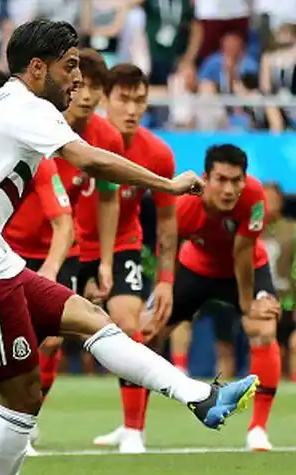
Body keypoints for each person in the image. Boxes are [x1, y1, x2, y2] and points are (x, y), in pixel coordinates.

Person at [0, 20, 259, 472]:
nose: (77, 79)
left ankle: (199, 394)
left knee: (90, 317)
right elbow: (89, 159)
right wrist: (168, 185)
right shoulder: (30, 108)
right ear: (38, 68)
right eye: (71, 66)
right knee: (22, 396)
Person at [142, 144, 282, 452]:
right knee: (146, 332)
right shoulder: (185, 203)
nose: (229, 189)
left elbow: (244, 252)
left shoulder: (255, 197)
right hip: (195, 268)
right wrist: (163, 287)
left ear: (246, 180)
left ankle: (258, 429)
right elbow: (167, 244)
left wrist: (249, 305)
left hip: (245, 270)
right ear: (207, 177)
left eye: (236, 180)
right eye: (221, 179)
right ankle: (132, 431)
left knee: (263, 328)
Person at [27, 49, 124, 452]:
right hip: (14, 242)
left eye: (96, 87)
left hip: (65, 246)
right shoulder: (40, 124)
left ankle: (26, 420)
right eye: (80, 85)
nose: (86, 95)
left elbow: (107, 200)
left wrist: (105, 259)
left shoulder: (108, 138)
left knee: (50, 339)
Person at [86, 64, 179, 454]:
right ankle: (26, 427)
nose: (133, 108)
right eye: (123, 98)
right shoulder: (77, 137)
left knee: (128, 325)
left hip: (124, 244)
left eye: (140, 100)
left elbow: (168, 221)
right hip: (72, 246)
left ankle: (133, 431)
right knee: (49, 341)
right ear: (104, 99)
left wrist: (166, 280)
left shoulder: (157, 153)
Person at [262, 182, 296, 381]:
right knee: (265, 349)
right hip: (261, 301)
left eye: (273, 198)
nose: (269, 203)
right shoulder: (250, 228)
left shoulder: (294, 229)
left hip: (287, 302)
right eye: (265, 199)